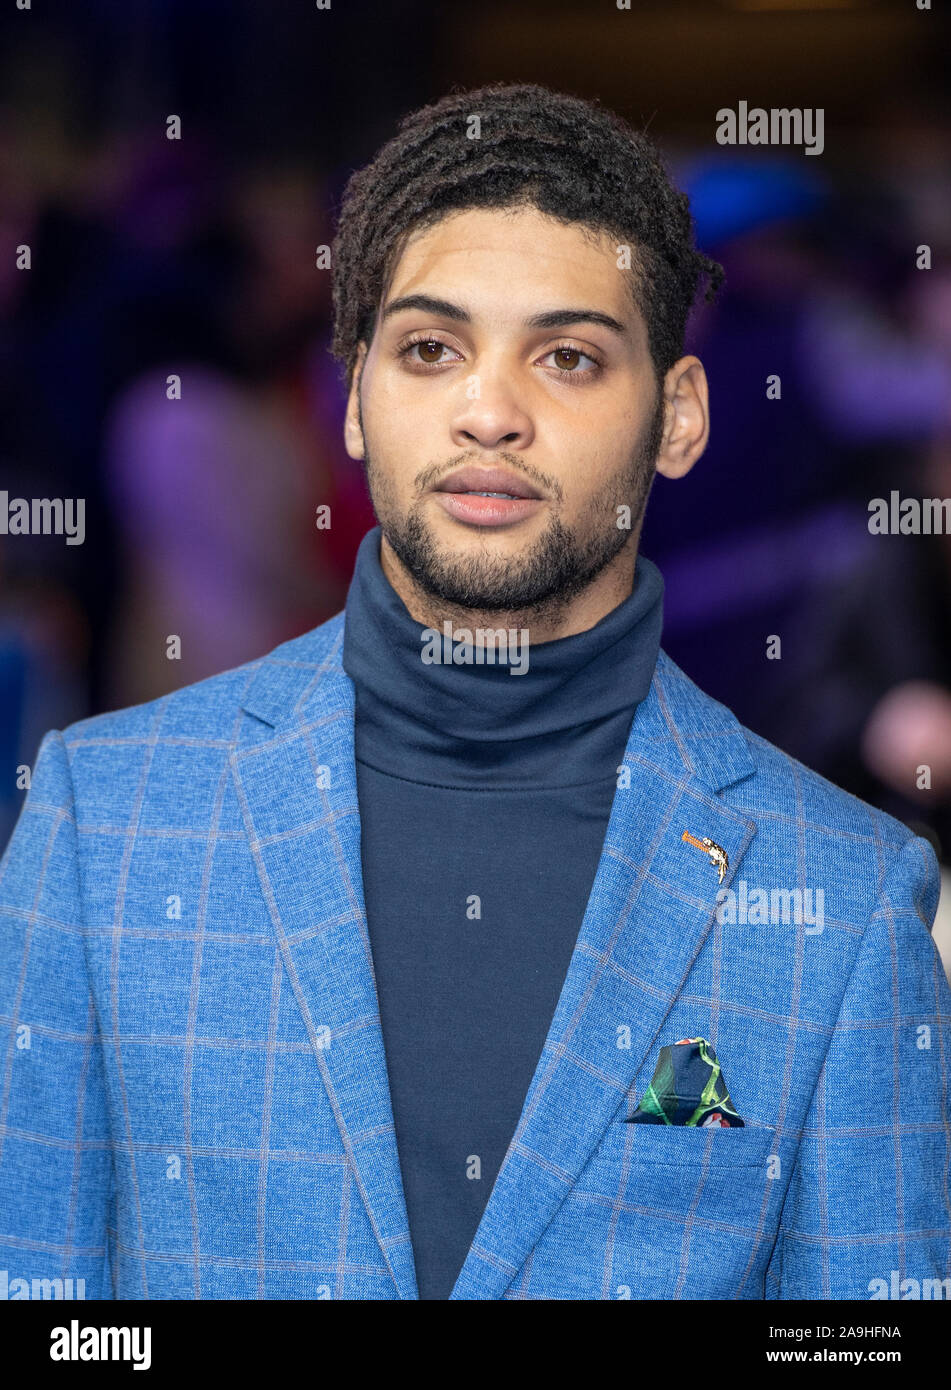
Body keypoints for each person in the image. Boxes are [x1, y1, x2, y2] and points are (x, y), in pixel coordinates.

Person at [1, 83, 948, 1302]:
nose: (490, 411)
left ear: (679, 416)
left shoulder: (844, 899)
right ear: (351, 396)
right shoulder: (105, 825)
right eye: (430, 348)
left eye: (568, 356)